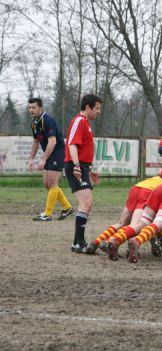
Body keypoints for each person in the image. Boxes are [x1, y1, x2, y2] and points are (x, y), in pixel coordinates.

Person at [64, 94, 102, 253]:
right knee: (86, 203)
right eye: (97, 108)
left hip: (82, 167)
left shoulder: (85, 123)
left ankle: (76, 243)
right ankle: (80, 243)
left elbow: (82, 148)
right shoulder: (79, 121)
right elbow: (72, 144)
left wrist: (89, 169)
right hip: (75, 167)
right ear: (88, 107)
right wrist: (77, 167)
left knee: (86, 204)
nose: (99, 112)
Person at [27, 98, 73, 221]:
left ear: (41, 108)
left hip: (57, 153)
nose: (31, 110)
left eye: (34, 107)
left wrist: (43, 159)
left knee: (52, 184)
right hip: (49, 153)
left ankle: (47, 214)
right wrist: (31, 158)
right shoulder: (34, 123)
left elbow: (52, 142)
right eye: (29, 107)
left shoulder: (47, 120)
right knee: (48, 184)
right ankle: (67, 207)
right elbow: (36, 141)